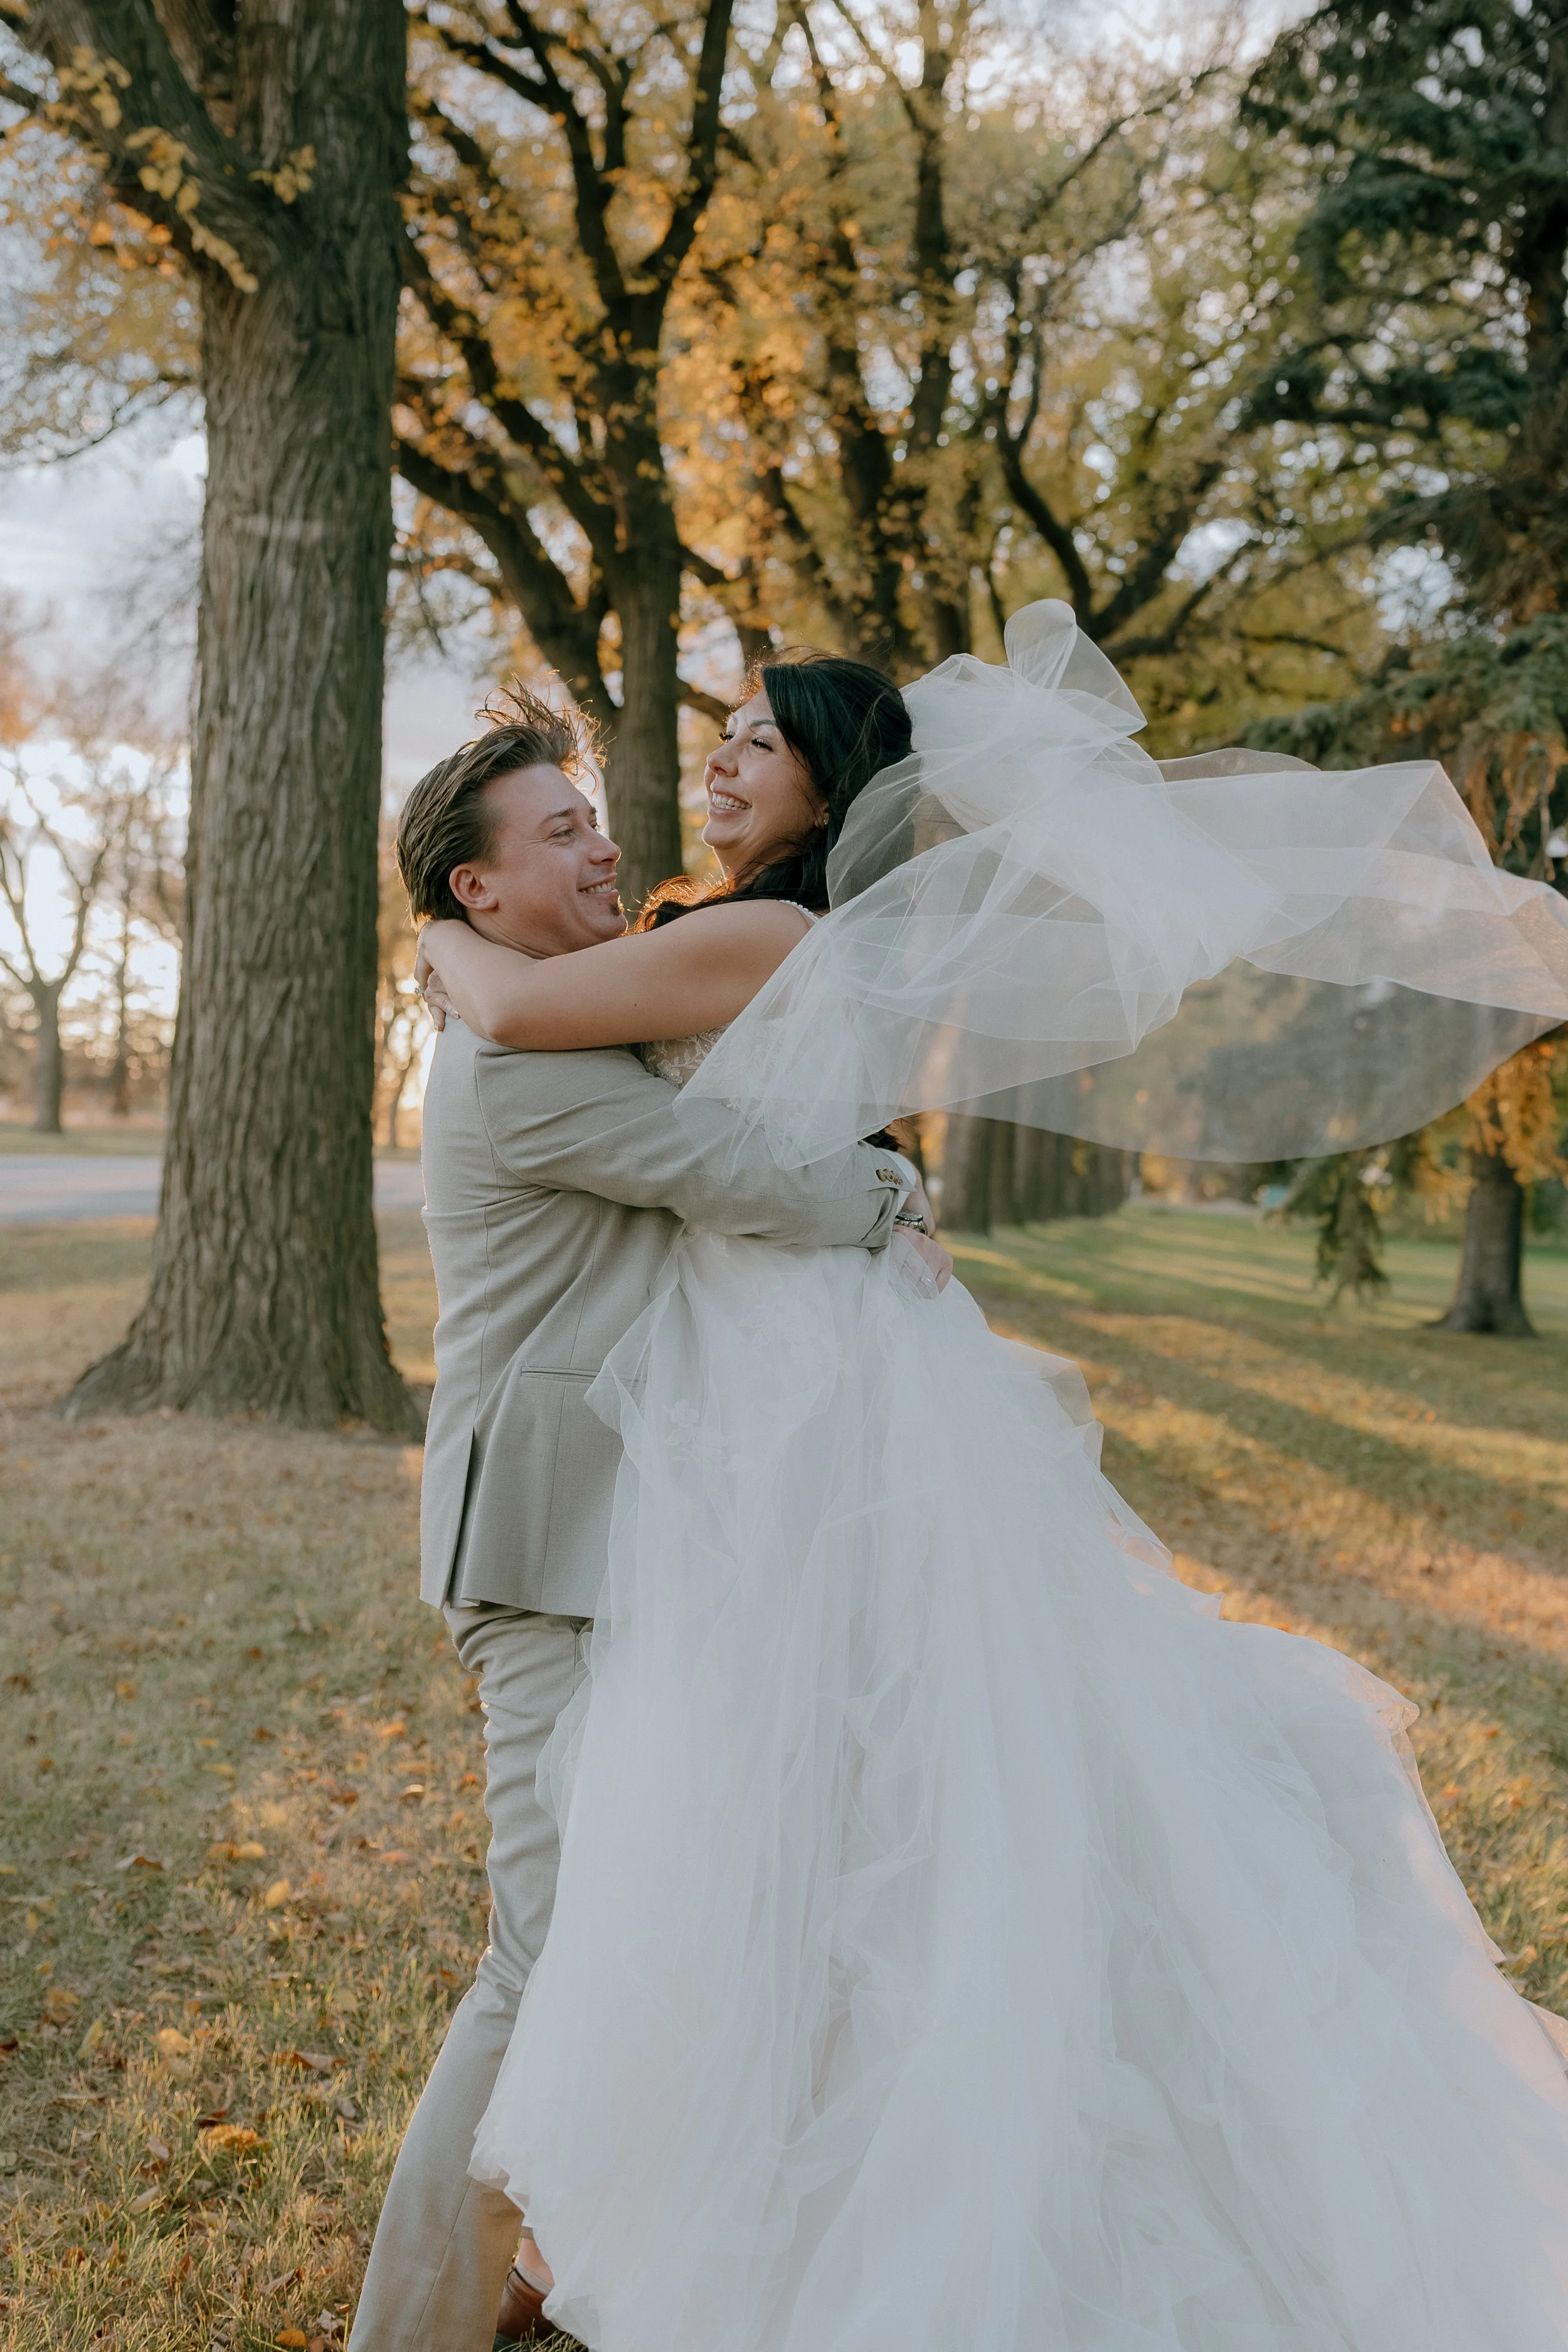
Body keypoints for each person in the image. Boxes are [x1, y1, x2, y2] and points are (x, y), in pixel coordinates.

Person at [418, 610, 1568, 2352]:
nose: (707, 768)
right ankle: (619, 2232)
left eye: (753, 742)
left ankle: (620, 2240)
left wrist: (440, 931)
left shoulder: (765, 932)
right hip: (743, 1389)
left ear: (825, 789)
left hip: (781, 1385)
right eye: (715, 738)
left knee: (823, 1816)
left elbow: (515, 1001)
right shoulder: (747, 928)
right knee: (790, 1816)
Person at [347, 690, 943, 2352]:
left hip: (639, 1528)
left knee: (658, 1907)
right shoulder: (523, 1063)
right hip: (542, 1546)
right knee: (539, 1954)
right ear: (475, 893)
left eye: (593, 814)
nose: (606, 843)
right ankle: (410, 2328)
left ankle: (562, 2263)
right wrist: (894, 1184)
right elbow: (754, 1178)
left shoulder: (550, 1007)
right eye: (559, 831)